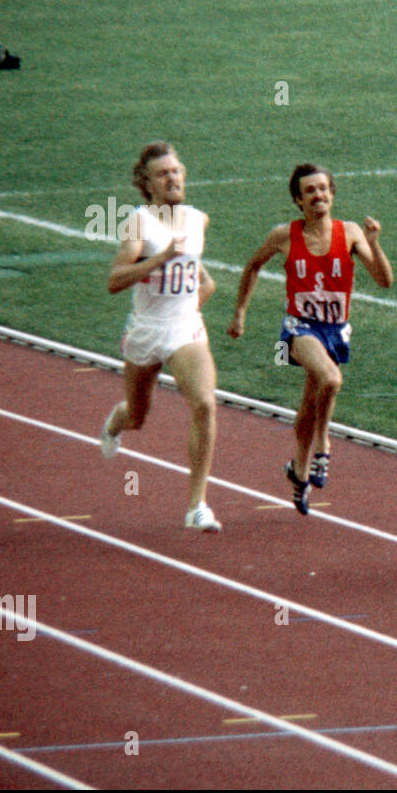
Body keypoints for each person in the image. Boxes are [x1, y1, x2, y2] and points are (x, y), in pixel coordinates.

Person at [227, 164, 393, 514]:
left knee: (311, 401)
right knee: (331, 379)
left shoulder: (348, 233)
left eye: (323, 189)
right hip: (297, 329)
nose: (318, 195)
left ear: (332, 193)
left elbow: (384, 280)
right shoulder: (283, 236)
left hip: (335, 331)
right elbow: (253, 265)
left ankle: (298, 472)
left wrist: (375, 245)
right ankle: (323, 447)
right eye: (310, 191)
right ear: (298, 200)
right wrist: (241, 311)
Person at [100, 142, 221, 532]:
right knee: (138, 416)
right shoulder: (139, 223)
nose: (172, 178)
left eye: (176, 170)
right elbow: (115, 281)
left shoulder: (197, 219)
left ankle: (197, 506)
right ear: (147, 184)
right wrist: (162, 258)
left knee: (204, 403)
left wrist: (201, 287)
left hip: (185, 326)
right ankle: (117, 422)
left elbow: (197, 269)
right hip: (146, 330)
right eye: (162, 173)